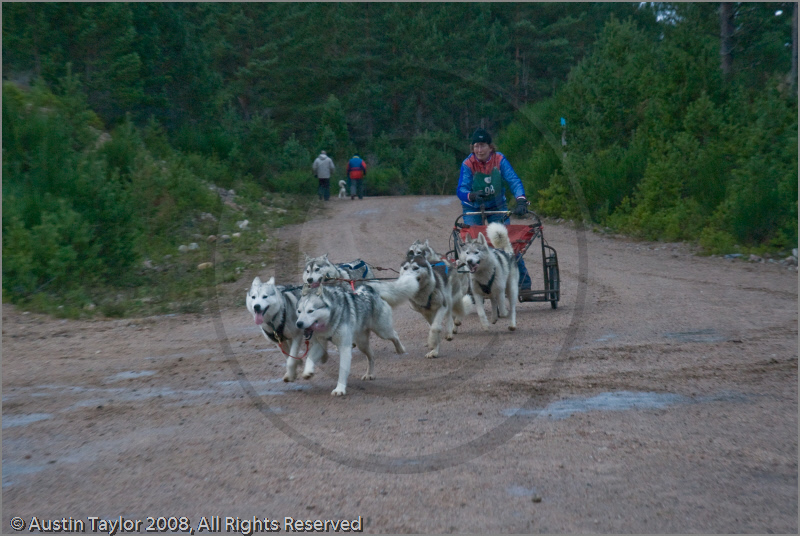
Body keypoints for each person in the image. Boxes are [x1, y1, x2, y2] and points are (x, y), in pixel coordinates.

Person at [456, 128, 532, 292]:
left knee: (508, 243)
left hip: (497, 206)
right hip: (473, 208)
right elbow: (461, 190)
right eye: (476, 146)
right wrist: (472, 195)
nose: (479, 150)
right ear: (472, 148)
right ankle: (468, 286)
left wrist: (520, 200)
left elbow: (514, 181)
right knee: (472, 247)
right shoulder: (468, 164)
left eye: (482, 145)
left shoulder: (499, 160)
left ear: (490, 147)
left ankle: (524, 284)